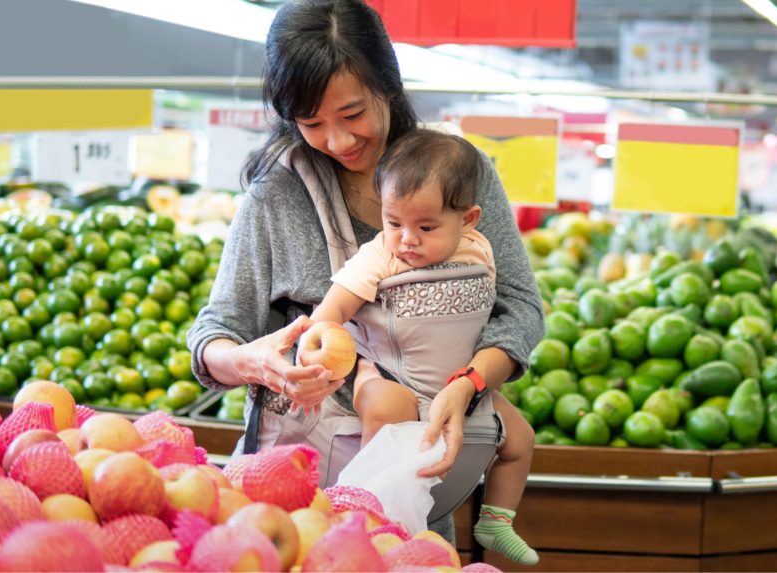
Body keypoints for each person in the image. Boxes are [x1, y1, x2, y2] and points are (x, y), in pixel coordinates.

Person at [186, 0, 544, 538]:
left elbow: (520, 307)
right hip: (295, 498)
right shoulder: (276, 195)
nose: (338, 140)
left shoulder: (459, 174)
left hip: (419, 495)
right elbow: (215, 332)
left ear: (388, 82)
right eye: (312, 123)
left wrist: (468, 384)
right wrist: (251, 361)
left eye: (353, 115)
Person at [302, 128, 537, 564]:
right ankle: (371, 513)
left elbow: (520, 309)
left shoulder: (478, 250)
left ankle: (497, 520)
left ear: (468, 220)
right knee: (388, 417)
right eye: (394, 223)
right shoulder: (380, 256)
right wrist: (317, 348)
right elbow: (329, 313)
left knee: (520, 438)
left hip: (461, 383)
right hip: (394, 376)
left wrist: (474, 381)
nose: (406, 239)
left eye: (425, 227)